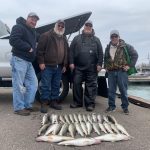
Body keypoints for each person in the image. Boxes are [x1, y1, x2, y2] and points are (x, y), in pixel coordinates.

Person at [9, 12, 39, 116]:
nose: (33, 22)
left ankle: (27, 105)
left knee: (34, 84)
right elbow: (13, 40)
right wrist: (28, 47)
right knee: (19, 85)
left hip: (28, 62)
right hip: (19, 59)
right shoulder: (19, 27)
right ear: (27, 18)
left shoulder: (32, 31)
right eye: (32, 19)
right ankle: (19, 107)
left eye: (35, 20)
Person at [69, 20, 103, 111]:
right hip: (78, 67)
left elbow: (100, 53)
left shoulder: (97, 40)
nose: (88, 27)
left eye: (90, 26)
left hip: (92, 67)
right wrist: (71, 62)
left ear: (92, 27)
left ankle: (90, 104)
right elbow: (71, 51)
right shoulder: (76, 38)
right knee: (76, 83)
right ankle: (77, 102)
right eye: (86, 25)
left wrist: (99, 64)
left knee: (91, 86)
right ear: (84, 27)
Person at [37, 19, 68, 113]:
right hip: (47, 66)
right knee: (45, 85)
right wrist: (41, 62)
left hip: (59, 66)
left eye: (62, 26)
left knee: (56, 85)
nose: (60, 27)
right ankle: (44, 103)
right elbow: (39, 51)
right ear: (55, 25)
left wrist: (65, 64)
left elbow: (66, 52)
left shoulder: (64, 38)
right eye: (59, 25)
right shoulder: (46, 35)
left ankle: (54, 102)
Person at [104, 30, 138, 115]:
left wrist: (129, 66)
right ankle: (111, 106)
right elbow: (105, 58)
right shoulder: (108, 47)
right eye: (112, 36)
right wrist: (106, 67)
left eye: (116, 36)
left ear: (119, 37)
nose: (114, 38)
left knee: (123, 90)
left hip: (122, 72)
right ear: (110, 38)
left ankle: (125, 107)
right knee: (111, 90)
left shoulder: (126, 46)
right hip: (111, 72)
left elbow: (135, 55)